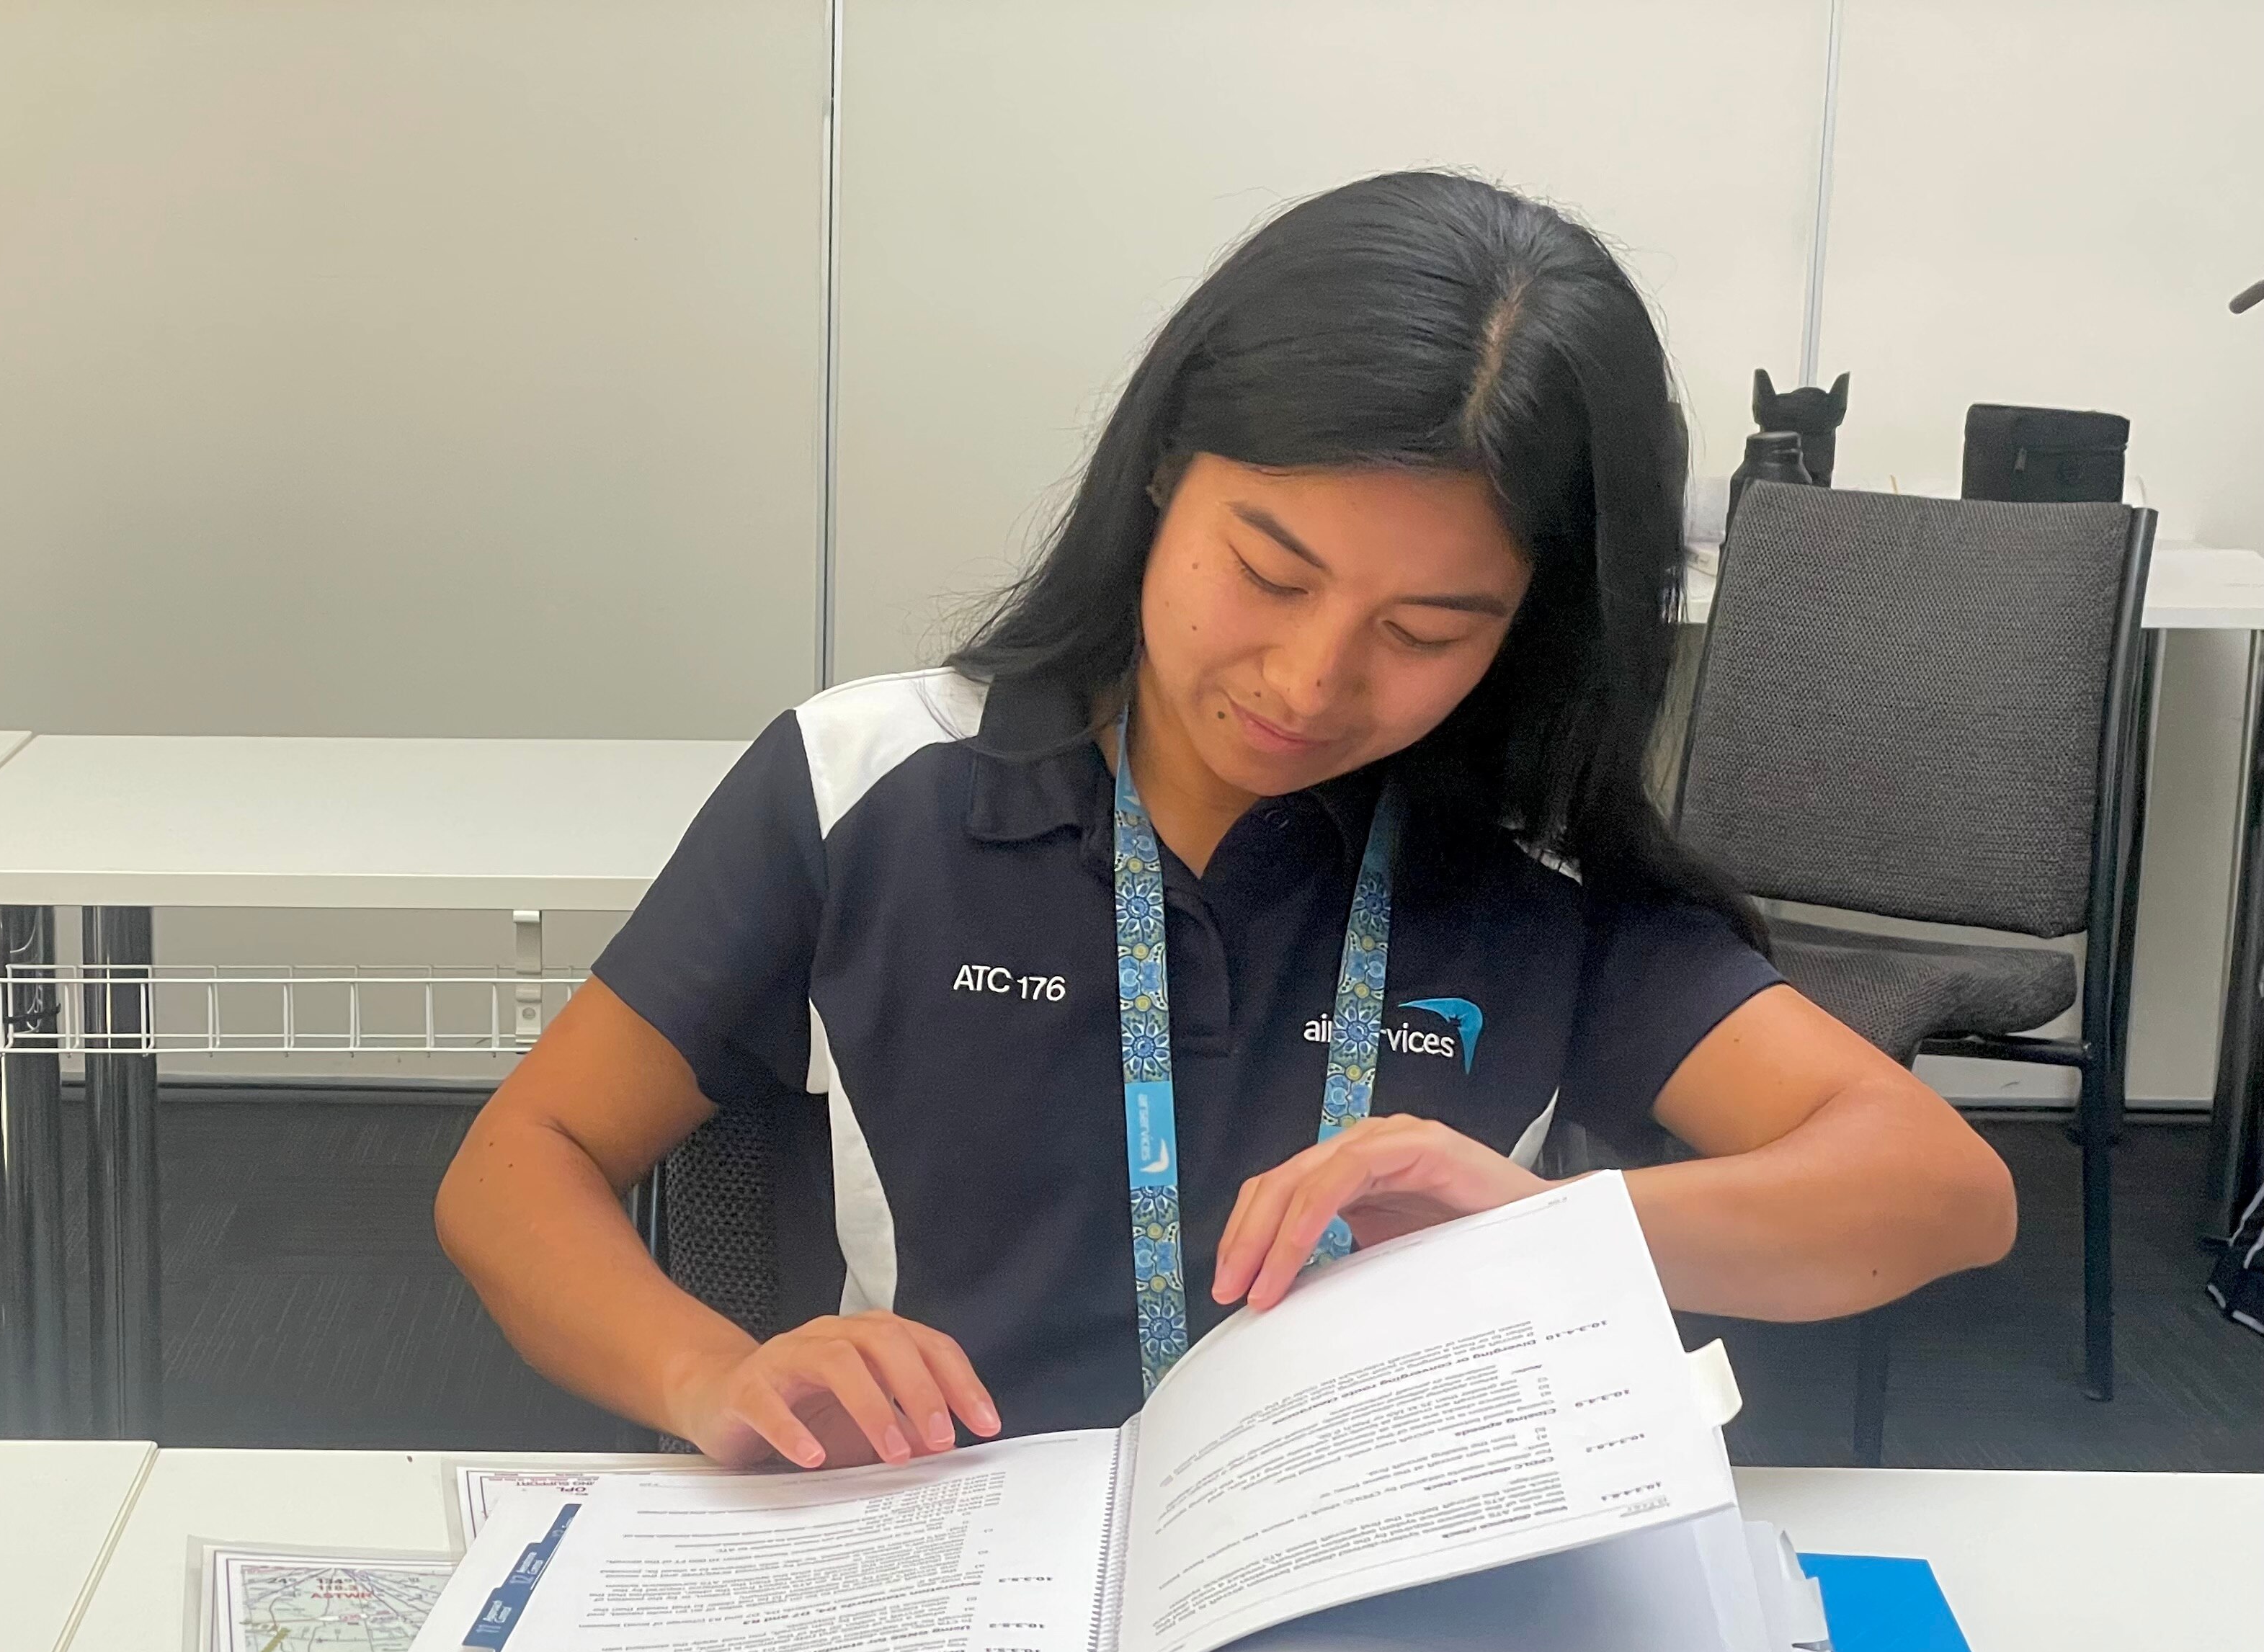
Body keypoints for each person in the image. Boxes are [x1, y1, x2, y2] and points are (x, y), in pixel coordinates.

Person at [437, 170, 2015, 1473]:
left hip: (1354, 1590)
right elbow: (520, 1162)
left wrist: (1543, 1222)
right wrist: (709, 1375)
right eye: (1269, 571)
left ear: (1530, 625)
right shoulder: (869, 785)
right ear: (1162, 472)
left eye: (1428, 631)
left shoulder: (1534, 875)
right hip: (944, 1553)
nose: (1312, 681)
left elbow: (1939, 1190)